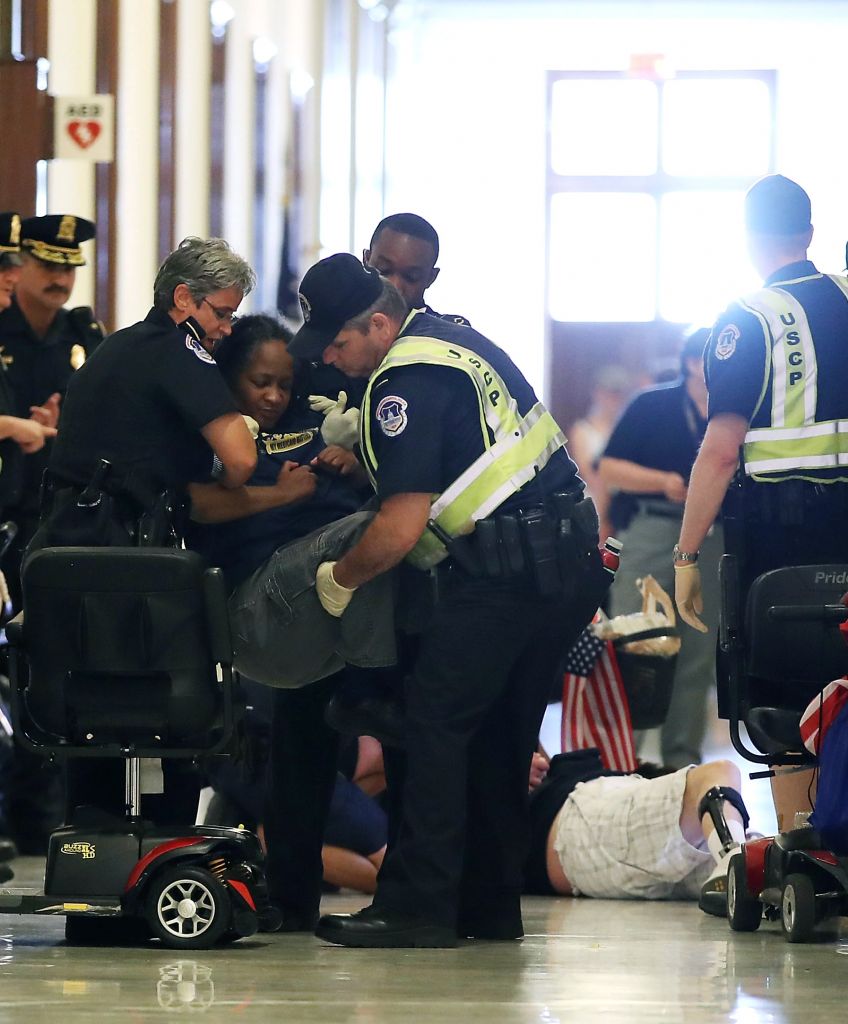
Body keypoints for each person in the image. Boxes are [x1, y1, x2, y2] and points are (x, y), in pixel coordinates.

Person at [288, 253, 607, 948]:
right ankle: (489, 906)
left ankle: (418, 906)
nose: (336, 361)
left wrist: (339, 579)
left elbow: (400, 527)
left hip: (502, 577)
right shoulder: (455, 337)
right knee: (499, 736)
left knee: (435, 724)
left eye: (341, 345)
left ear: (378, 323)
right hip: (563, 567)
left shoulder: (403, 377)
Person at [29, 236, 257, 828]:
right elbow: (239, 461)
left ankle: (94, 853)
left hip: (73, 552)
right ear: (185, 298)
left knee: (95, 715)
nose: (228, 329)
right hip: (134, 563)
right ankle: (163, 842)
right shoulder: (177, 347)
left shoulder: (119, 348)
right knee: (169, 712)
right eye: (223, 312)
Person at [185, 313, 375, 931]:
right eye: (259, 383)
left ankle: (293, 899)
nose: (273, 397)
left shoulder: (315, 415)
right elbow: (198, 504)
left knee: (308, 744)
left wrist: (354, 461)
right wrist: (287, 497)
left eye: (283, 385)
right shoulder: (217, 431)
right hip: (266, 597)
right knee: (386, 529)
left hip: (332, 604)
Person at [674, 174, 848, 850]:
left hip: (784, 537)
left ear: (749, 238)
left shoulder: (747, 318)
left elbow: (720, 452)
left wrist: (686, 556)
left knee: (785, 695)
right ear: (809, 231)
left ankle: (808, 853)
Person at [598, 330, 721, 768]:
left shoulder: (735, 410)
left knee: (697, 652)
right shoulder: (652, 404)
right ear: (691, 363)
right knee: (636, 640)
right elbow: (607, 467)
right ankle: (621, 758)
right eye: (714, 357)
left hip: (711, 535)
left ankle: (682, 760)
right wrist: (662, 482)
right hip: (652, 527)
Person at [524, 748, 749, 913]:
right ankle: (732, 858)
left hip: (588, 809)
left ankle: (733, 859)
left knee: (766, 865)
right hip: (575, 818)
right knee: (719, 773)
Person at [569, 364, 633, 542]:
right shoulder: (582, 430)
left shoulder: (628, 429)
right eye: (609, 392)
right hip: (596, 504)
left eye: (619, 393)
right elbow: (589, 473)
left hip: (625, 504)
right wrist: (604, 518)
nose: (614, 399)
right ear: (597, 393)